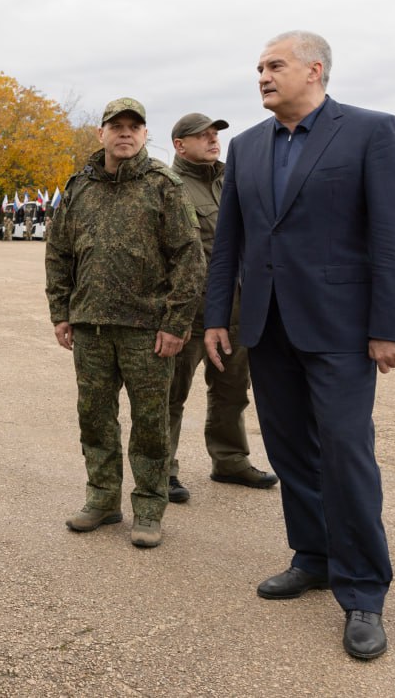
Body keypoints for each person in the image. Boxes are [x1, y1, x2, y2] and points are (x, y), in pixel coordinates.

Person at [204, 31, 395, 660]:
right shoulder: (246, 147)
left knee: (346, 454)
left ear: (314, 70)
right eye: (258, 68)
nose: (262, 77)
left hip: (341, 330)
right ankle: (314, 556)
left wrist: (391, 325)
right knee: (290, 449)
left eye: (274, 66)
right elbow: (230, 244)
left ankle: (362, 592)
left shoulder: (372, 132)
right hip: (268, 328)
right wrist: (218, 315)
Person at [45, 97, 204, 548]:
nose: (126, 133)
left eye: (135, 126)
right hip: (91, 326)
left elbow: (189, 258)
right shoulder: (79, 186)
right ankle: (102, 499)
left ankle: (150, 508)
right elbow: (58, 252)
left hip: (146, 331)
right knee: (94, 418)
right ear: (101, 134)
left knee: (150, 423)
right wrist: (61, 311)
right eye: (117, 126)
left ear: (145, 134)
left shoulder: (163, 186)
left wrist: (176, 323)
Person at [165, 112, 278, 503]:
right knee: (169, 395)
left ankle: (230, 459)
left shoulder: (233, 180)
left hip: (235, 309)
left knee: (232, 390)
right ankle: (161, 471)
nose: (214, 140)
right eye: (203, 136)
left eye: (215, 135)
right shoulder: (168, 187)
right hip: (188, 311)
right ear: (180, 144)